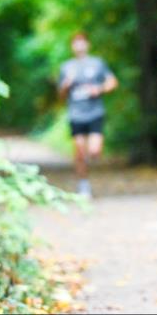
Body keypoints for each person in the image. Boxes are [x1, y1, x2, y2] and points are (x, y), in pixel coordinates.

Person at [58, 32, 118, 198]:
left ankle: (88, 166)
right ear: (72, 46)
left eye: (82, 42)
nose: (79, 45)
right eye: (76, 43)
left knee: (94, 150)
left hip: (95, 112)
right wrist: (65, 85)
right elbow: (60, 96)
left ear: (87, 44)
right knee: (79, 152)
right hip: (76, 114)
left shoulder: (97, 63)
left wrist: (99, 89)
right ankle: (83, 184)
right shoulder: (66, 67)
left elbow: (113, 82)